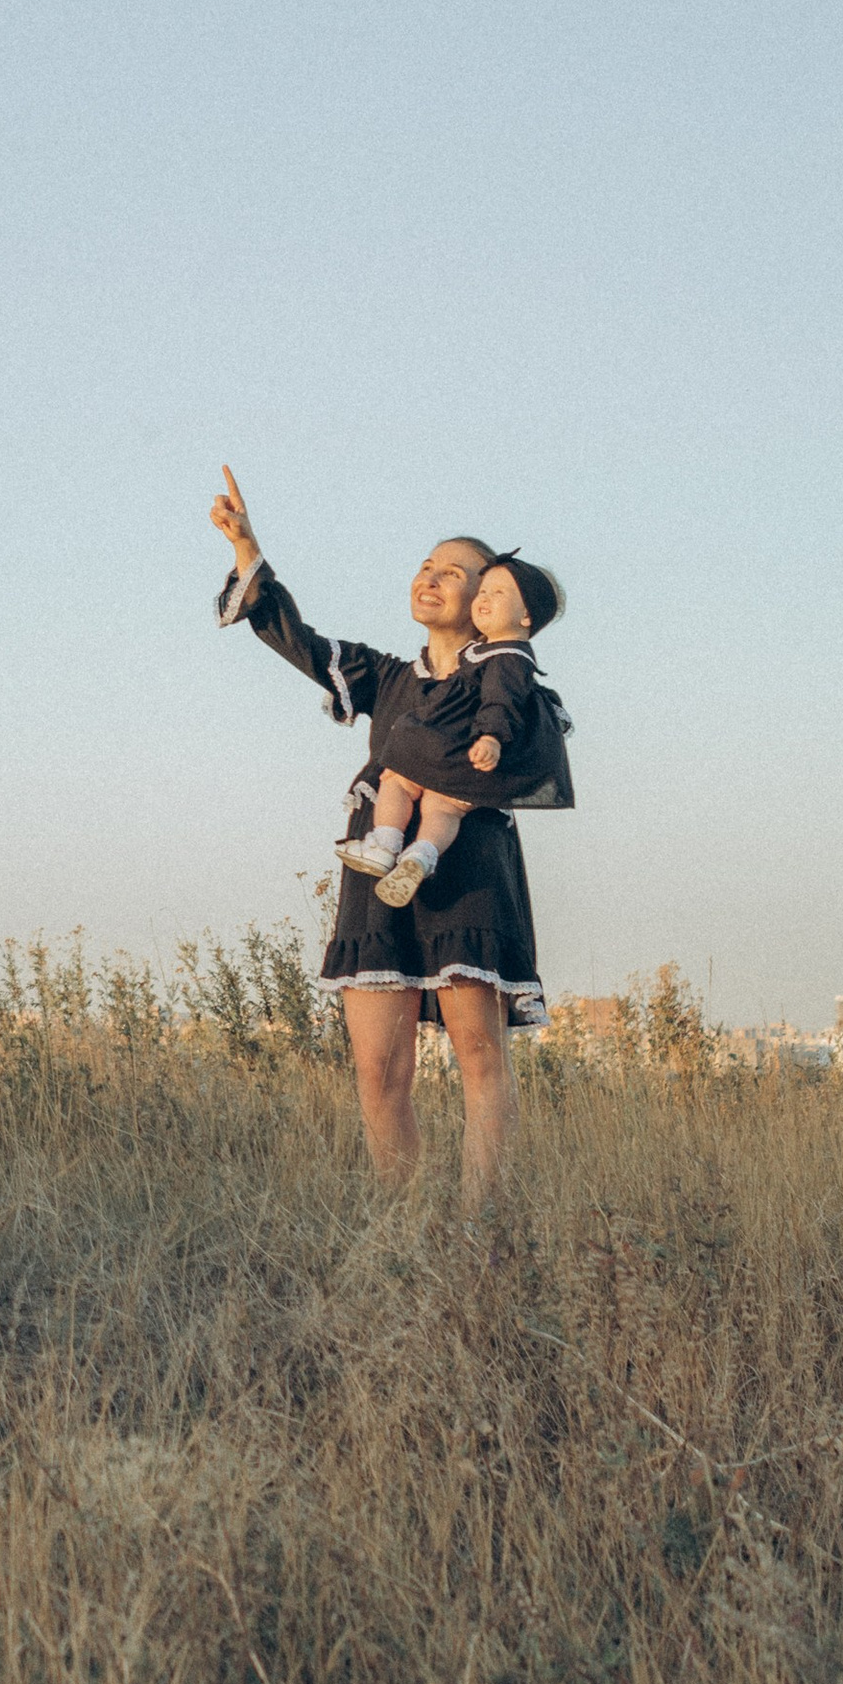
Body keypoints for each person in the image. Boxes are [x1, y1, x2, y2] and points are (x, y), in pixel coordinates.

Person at [208, 468, 546, 1199]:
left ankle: (480, 1227)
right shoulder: (387, 677)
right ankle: (405, 1231)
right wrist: (246, 547)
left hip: (468, 872)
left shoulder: (513, 681)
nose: (432, 577)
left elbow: (536, 765)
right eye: (427, 564)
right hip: (377, 869)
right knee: (377, 1071)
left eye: (455, 572)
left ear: (490, 599)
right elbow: (299, 642)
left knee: (480, 1055)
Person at [340, 555, 571, 903]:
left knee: (397, 780)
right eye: (482, 591)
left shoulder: (508, 658)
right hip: (467, 764)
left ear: (526, 617)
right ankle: (423, 854)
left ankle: (385, 843)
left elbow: (500, 702)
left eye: (499, 593)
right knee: (443, 808)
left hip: (451, 746)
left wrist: (492, 736)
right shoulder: (491, 652)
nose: (484, 599)